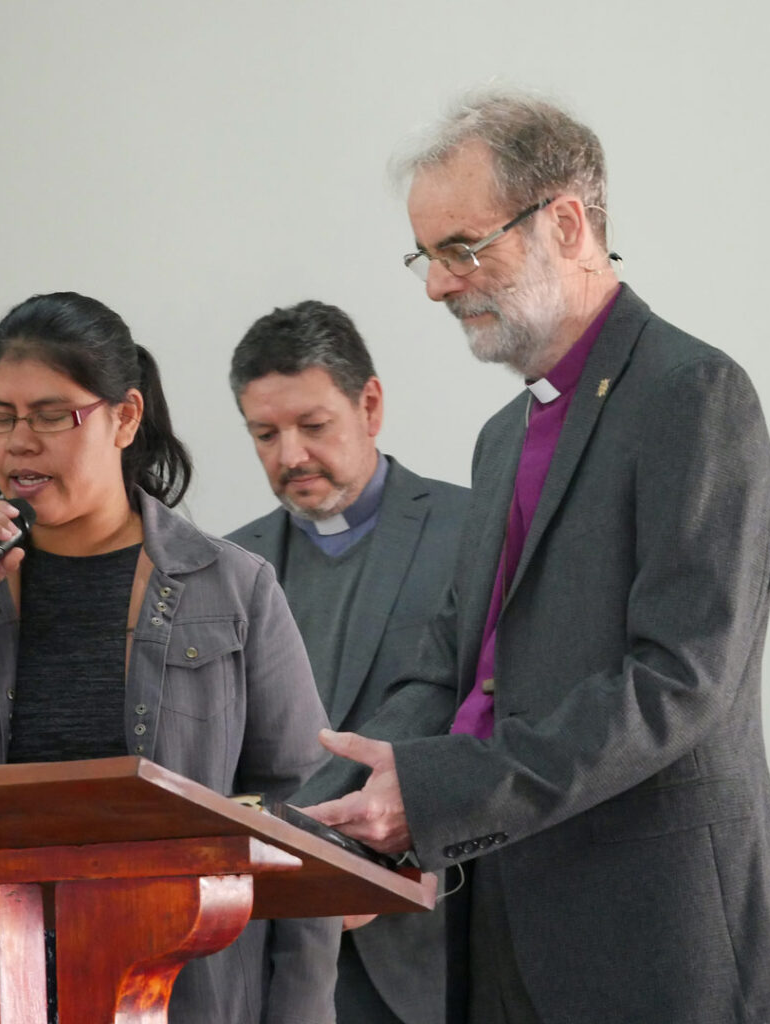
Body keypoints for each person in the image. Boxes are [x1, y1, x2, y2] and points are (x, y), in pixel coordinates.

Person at [296, 91, 770, 1023]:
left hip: (652, 944)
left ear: (567, 223)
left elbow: (679, 683)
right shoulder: (500, 441)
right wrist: (307, 818)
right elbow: (451, 668)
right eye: (426, 255)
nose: (438, 285)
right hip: (496, 930)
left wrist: (441, 793)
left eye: (462, 248)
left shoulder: (696, 395)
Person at [0, 291, 339, 1024]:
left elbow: (300, 823)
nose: (18, 442)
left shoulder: (232, 586)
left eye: (51, 415)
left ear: (125, 417)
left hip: (182, 991)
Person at [225, 300, 471, 1024]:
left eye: (312, 426)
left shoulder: (474, 530)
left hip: (432, 944)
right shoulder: (226, 566)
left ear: (370, 404)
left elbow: (502, 725)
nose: (290, 455)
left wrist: (393, 864)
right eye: (264, 434)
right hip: (273, 953)